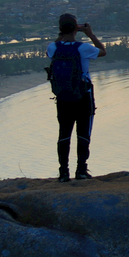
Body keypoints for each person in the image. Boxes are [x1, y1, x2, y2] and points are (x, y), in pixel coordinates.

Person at [47, 13, 106, 182]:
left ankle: (63, 173)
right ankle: (81, 170)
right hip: (83, 96)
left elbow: (55, 46)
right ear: (75, 29)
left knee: (64, 134)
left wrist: (65, 33)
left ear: (60, 29)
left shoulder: (53, 47)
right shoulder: (83, 48)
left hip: (63, 97)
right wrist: (90, 34)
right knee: (83, 133)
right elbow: (103, 51)